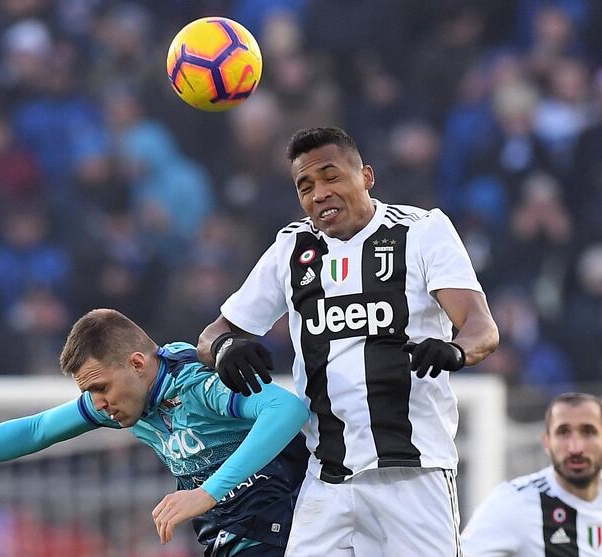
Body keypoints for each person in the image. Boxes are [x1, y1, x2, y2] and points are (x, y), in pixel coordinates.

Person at [197, 127, 500, 556]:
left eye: (330, 176)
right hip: (328, 481)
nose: (319, 193)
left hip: (413, 477)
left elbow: (482, 329)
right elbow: (212, 336)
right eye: (306, 186)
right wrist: (227, 348)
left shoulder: (422, 232)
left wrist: (454, 350)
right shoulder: (292, 249)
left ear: (367, 177)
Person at [0, 309, 310, 557]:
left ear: (138, 364)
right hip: (232, 532)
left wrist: (208, 492)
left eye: (100, 387)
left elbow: (286, 409)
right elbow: (35, 430)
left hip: (284, 524)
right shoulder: (130, 401)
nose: (97, 403)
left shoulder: (199, 385)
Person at [462, 392, 602, 556]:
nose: (575, 447)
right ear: (547, 442)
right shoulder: (513, 502)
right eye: (563, 432)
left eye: (588, 432)